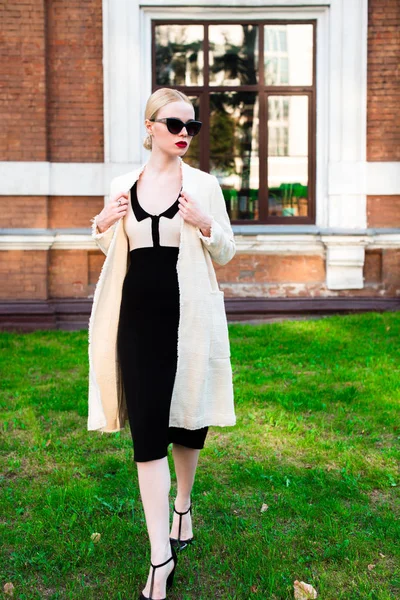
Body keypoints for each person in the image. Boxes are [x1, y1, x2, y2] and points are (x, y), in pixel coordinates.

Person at [87, 88, 236, 600]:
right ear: (150, 125)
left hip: (187, 314)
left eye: (192, 126)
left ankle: (184, 504)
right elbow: (114, 248)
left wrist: (205, 224)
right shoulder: (122, 184)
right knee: (147, 431)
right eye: (174, 123)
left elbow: (226, 251)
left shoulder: (203, 186)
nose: (184, 134)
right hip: (136, 320)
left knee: (187, 421)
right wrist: (102, 224)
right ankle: (160, 553)